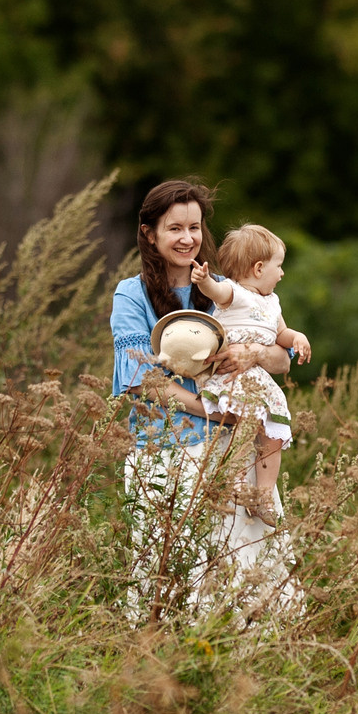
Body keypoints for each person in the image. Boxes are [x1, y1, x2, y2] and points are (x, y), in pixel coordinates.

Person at [110, 179, 292, 618]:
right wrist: (218, 413)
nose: (187, 238)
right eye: (175, 228)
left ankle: (254, 676)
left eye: (194, 227)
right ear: (150, 233)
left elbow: (282, 356)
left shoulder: (227, 288)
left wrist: (253, 353)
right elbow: (142, 379)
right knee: (175, 576)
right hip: (165, 449)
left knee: (248, 572)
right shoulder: (130, 295)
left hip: (233, 454)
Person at [194, 224, 310, 525]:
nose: (282, 273)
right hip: (234, 378)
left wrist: (297, 338)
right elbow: (215, 291)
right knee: (247, 427)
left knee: (273, 433)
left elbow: (281, 333)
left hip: (259, 381)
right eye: (278, 266)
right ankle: (233, 482)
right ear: (259, 268)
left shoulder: (272, 302)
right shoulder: (235, 293)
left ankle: (263, 495)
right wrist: (205, 280)